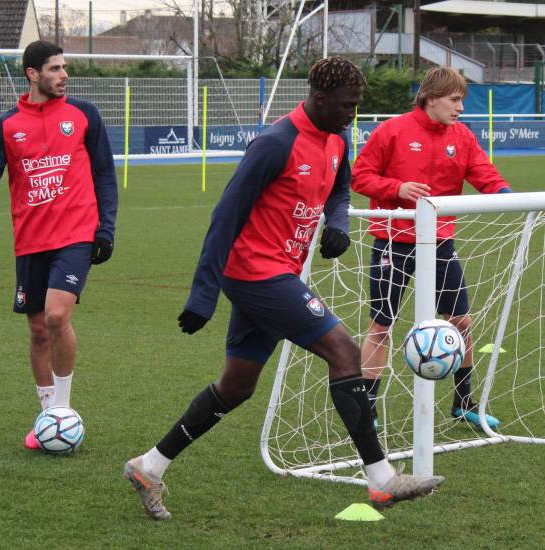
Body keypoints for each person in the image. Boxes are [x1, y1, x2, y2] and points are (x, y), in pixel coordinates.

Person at [123, 57, 443, 521]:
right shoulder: (274, 144)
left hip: (280, 272)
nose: (353, 114)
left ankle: (148, 466)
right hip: (256, 272)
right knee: (346, 353)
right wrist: (202, 294)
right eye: (347, 105)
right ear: (319, 98)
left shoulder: (336, 137)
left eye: (357, 105)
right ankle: (381, 479)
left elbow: (339, 186)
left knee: (236, 386)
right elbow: (224, 217)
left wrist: (336, 223)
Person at [0, 40, 118, 450]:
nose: (64, 75)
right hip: (30, 240)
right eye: (55, 69)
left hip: (76, 235)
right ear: (32, 74)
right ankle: (47, 414)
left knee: (57, 318)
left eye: (64, 68)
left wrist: (106, 228)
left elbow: (104, 174)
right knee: (37, 330)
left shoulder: (83, 115)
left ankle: (62, 412)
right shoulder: (7, 125)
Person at [350, 66, 512, 432]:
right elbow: (359, 175)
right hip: (394, 242)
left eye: (462, 101)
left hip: (439, 243)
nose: (460, 108)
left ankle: (464, 402)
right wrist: (397, 189)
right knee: (381, 325)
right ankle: (367, 409)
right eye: (455, 100)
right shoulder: (392, 131)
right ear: (431, 98)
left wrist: (510, 198)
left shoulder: (462, 136)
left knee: (461, 322)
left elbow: (485, 175)